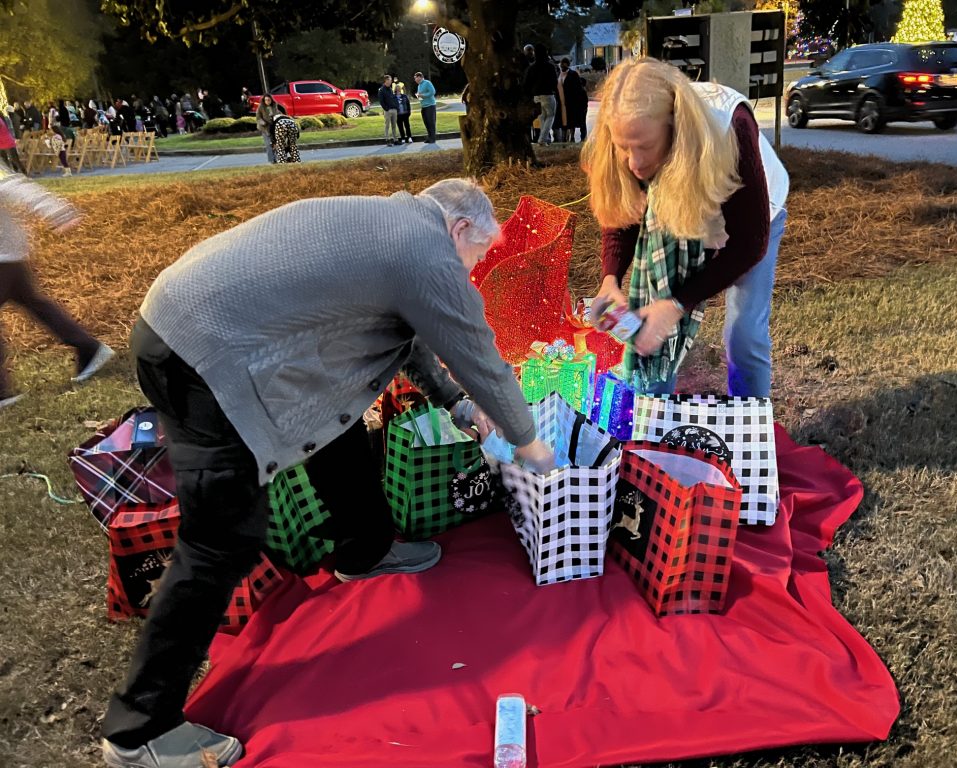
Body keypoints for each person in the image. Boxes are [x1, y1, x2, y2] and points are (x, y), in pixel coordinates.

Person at [99, 178, 555, 767]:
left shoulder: (394, 229)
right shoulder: (425, 250)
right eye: (476, 256)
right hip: (203, 355)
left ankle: (364, 550)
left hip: (180, 323)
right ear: (460, 228)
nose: (470, 271)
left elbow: (410, 342)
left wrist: (458, 406)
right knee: (220, 540)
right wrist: (531, 445)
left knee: (336, 420)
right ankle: (139, 729)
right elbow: (481, 357)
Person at [584, 58, 788, 398]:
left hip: (751, 220)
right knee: (651, 326)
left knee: (744, 335)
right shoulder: (623, 131)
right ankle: (652, 413)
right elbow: (622, 211)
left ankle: (750, 418)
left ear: (674, 128)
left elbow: (749, 244)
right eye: (624, 148)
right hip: (676, 214)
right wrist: (611, 278)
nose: (634, 162)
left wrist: (677, 304)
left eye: (645, 147)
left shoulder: (729, 128)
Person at [0, 167, 114, 408]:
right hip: (8, 255)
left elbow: (13, 185)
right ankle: (88, 347)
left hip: (4, 256)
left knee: (34, 302)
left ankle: (1, 392)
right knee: (34, 302)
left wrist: (56, 211)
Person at [523, 44, 557, 145]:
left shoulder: (531, 68)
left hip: (536, 96)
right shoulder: (550, 66)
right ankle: (542, 139)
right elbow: (554, 81)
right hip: (548, 94)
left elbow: (526, 83)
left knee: (542, 117)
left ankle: (544, 139)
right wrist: (552, 89)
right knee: (550, 116)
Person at [555, 57, 588, 143]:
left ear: (567, 65)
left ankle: (572, 137)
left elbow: (578, 88)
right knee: (562, 120)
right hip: (561, 102)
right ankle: (564, 138)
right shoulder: (558, 75)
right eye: (561, 64)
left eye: (564, 64)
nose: (562, 66)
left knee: (571, 120)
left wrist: (577, 101)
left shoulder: (573, 74)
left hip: (571, 102)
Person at [413, 71, 437, 143]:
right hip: (423, 106)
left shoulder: (427, 83)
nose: (415, 80)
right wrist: (418, 96)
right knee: (426, 122)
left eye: (415, 78)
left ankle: (433, 138)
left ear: (420, 77)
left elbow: (432, 92)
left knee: (431, 122)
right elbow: (421, 96)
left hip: (430, 105)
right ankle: (429, 137)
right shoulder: (419, 86)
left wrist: (423, 95)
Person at [254, 95, 279, 164]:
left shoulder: (274, 106)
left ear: (271, 100)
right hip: (265, 128)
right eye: (266, 100)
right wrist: (263, 123)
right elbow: (258, 118)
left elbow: (278, 113)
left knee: (275, 144)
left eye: (269, 100)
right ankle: (272, 160)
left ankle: (276, 159)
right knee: (268, 145)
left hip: (273, 127)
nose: (267, 101)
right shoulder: (261, 107)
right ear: (264, 101)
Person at [378, 75, 399, 146]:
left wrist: (396, 107)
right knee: (387, 126)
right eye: (389, 80)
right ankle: (387, 140)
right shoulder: (381, 90)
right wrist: (386, 109)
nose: (391, 82)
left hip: (394, 109)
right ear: (386, 80)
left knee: (394, 126)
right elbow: (381, 101)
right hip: (388, 111)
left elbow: (393, 98)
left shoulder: (390, 89)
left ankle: (395, 140)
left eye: (391, 80)